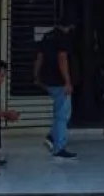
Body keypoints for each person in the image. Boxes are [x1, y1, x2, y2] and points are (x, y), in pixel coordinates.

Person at [34, 23, 78, 160]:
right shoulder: (63, 38)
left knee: (62, 113)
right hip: (59, 81)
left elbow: (39, 57)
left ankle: (52, 137)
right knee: (62, 115)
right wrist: (67, 81)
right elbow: (62, 58)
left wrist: (37, 76)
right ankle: (58, 147)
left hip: (48, 80)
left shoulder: (47, 36)